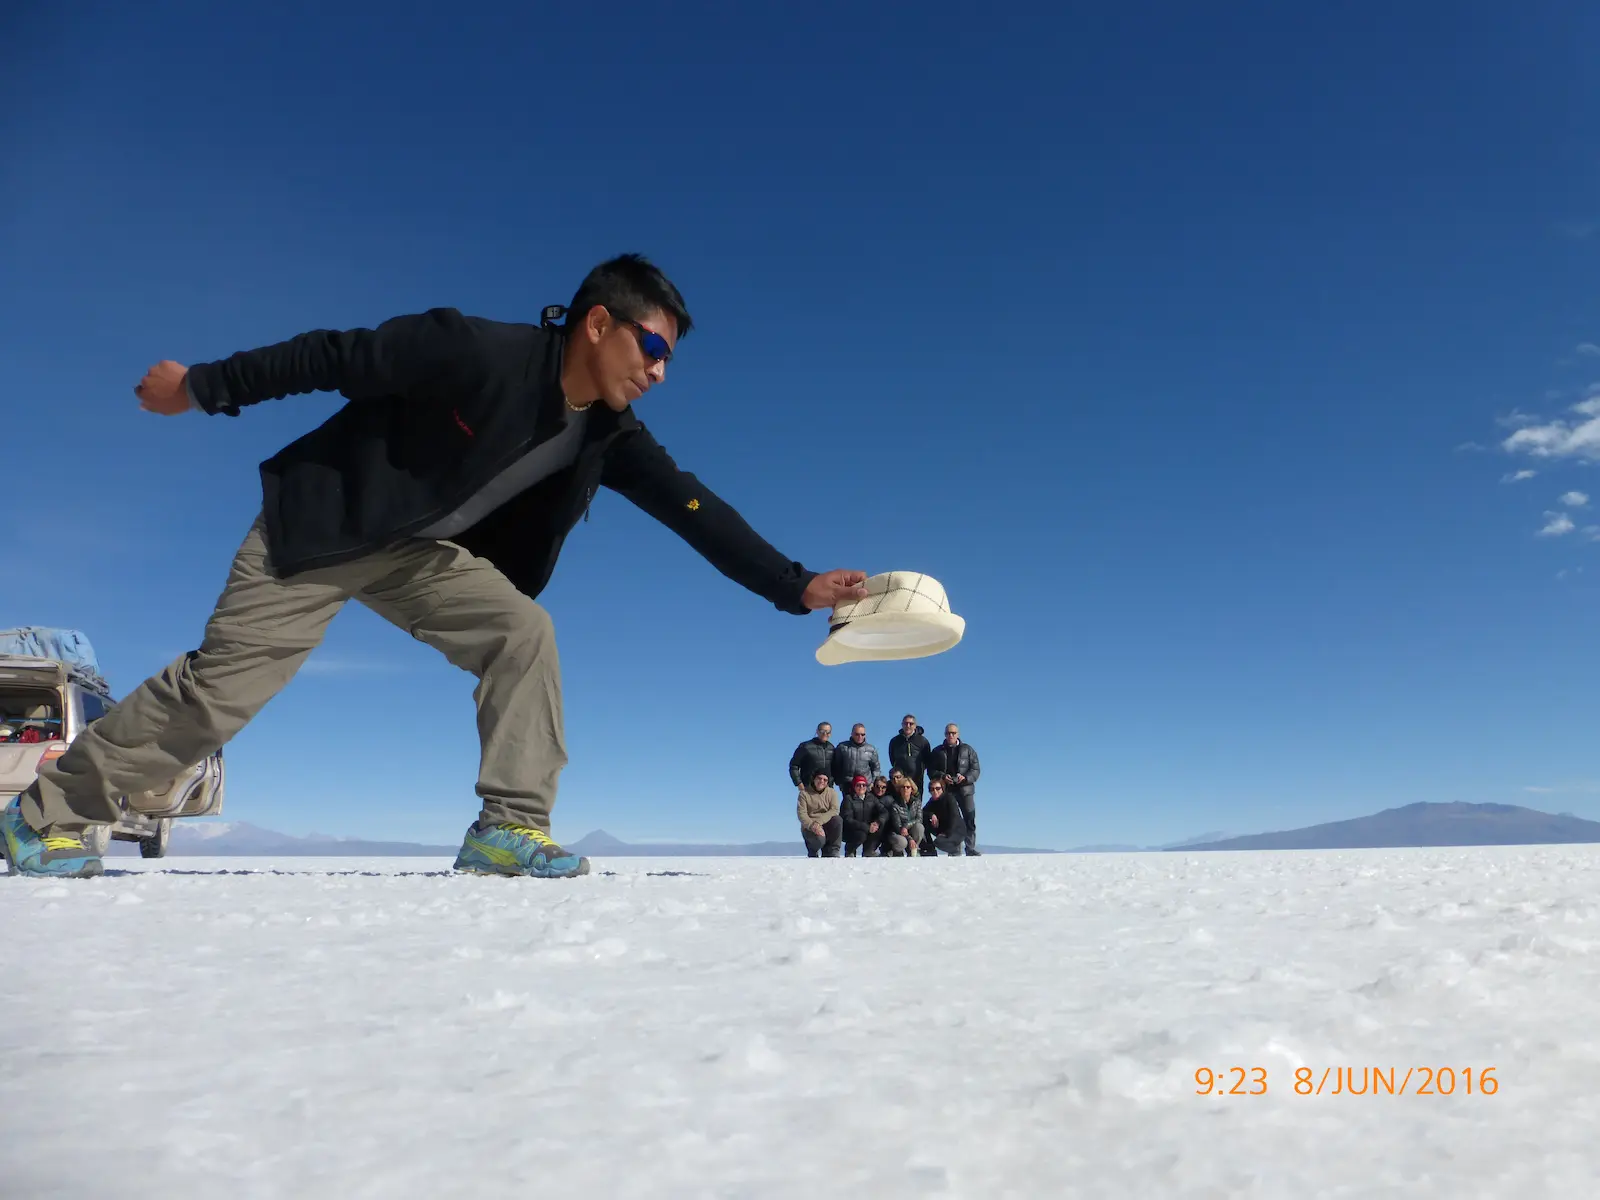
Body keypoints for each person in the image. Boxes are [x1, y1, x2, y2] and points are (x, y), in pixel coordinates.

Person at [0, 254, 868, 880]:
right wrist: (201, 386)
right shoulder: (474, 351)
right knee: (222, 692)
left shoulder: (608, 433)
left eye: (668, 356)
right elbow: (334, 355)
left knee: (521, 632)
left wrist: (793, 584)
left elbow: (693, 507)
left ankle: (508, 828)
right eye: (652, 346)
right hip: (322, 525)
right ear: (599, 322)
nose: (659, 371)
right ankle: (46, 817)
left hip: (413, 556)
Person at [926, 723, 981, 855]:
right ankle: (954, 848)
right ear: (944, 734)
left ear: (958, 734)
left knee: (969, 817)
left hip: (965, 789)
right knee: (951, 820)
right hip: (947, 791)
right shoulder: (938, 751)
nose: (950, 735)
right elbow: (931, 771)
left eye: (953, 733)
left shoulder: (968, 750)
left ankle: (970, 847)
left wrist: (965, 778)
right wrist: (942, 777)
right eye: (948, 733)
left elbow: (976, 769)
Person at [796, 770, 842, 858]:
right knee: (819, 841)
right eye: (819, 778)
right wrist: (812, 825)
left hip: (825, 823)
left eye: (825, 780)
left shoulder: (832, 793)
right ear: (814, 779)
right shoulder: (804, 794)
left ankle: (832, 850)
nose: (822, 781)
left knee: (837, 820)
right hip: (810, 827)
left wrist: (819, 822)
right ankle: (812, 850)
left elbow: (834, 810)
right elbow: (801, 814)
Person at [839, 774, 884, 858]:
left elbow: (883, 811)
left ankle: (868, 850)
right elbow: (847, 819)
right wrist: (866, 827)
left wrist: (877, 822)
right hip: (852, 830)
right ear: (854, 786)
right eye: (858, 785)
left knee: (880, 827)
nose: (861, 787)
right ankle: (850, 850)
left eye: (864, 785)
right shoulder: (848, 799)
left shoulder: (871, 798)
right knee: (861, 834)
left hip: (869, 828)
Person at [921, 777, 967, 856]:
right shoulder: (932, 801)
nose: (935, 791)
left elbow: (954, 818)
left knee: (938, 842)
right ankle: (930, 849)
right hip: (942, 829)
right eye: (932, 789)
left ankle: (955, 850)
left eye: (937, 788)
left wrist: (946, 833)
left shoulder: (949, 798)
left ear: (942, 789)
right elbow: (922, 812)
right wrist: (931, 814)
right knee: (922, 821)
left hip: (955, 830)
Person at [888, 714, 931, 798]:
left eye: (911, 724)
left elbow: (927, 760)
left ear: (915, 726)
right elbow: (892, 759)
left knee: (915, 805)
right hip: (899, 780)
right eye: (905, 723)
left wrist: (918, 770)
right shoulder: (895, 741)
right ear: (902, 725)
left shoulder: (923, 741)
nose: (908, 726)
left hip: (916, 779)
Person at [830, 723, 881, 793]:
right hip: (848, 786)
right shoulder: (842, 747)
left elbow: (876, 769)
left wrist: (873, 783)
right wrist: (840, 783)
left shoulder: (871, 749)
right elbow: (836, 766)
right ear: (852, 734)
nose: (860, 736)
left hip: (865, 786)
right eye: (857, 734)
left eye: (862, 734)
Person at [882, 776, 925, 857]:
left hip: (910, 830)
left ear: (912, 789)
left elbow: (919, 819)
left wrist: (906, 826)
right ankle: (895, 851)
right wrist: (910, 838)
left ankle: (913, 850)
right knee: (902, 842)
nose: (905, 789)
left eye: (908, 787)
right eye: (903, 787)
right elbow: (897, 826)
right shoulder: (895, 805)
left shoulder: (917, 802)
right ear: (899, 789)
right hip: (897, 832)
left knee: (919, 827)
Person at [788, 722, 835, 789]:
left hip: (826, 790)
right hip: (809, 789)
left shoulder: (832, 748)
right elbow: (793, 766)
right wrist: (799, 783)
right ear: (817, 731)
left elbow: (835, 769)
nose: (825, 734)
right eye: (822, 731)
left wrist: (831, 784)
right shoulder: (805, 746)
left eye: (828, 732)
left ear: (830, 734)